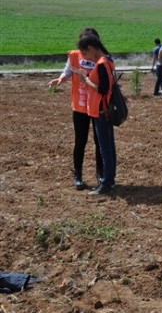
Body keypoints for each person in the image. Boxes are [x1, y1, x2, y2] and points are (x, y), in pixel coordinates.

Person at [47, 28, 103, 191]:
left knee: (99, 142)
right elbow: (67, 73)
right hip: (80, 106)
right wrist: (59, 79)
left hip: (96, 104)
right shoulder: (74, 56)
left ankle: (100, 175)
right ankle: (77, 175)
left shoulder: (100, 56)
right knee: (80, 141)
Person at [76, 35, 117, 196]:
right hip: (105, 109)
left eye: (85, 53)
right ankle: (110, 181)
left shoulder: (101, 64)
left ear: (91, 49)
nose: (85, 57)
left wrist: (86, 81)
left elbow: (102, 89)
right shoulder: (109, 60)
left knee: (105, 149)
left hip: (101, 110)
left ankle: (106, 184)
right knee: (109, 148)